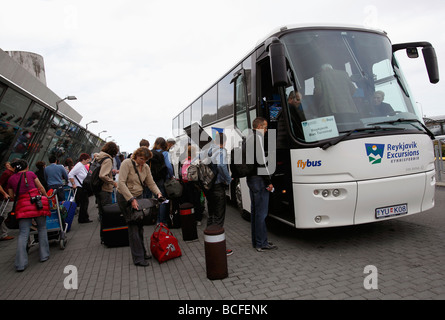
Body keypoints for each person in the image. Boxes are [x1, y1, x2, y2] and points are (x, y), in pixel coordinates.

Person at [117, 147, 162, 267]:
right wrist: (131, 199)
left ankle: (142, 252)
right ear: (136, 156)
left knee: (140, 225)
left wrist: (158, 193)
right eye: (141, 159)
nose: (143, 162)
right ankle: (138, 258)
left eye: (145, 160)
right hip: (125, 197)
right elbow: (121, 183)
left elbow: (150, 182)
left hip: (138, 196)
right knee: (133, 227)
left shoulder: (146, 167)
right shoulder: (126, 163)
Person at [7, 159, 49, 272]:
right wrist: (46, 197)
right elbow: (40, 187)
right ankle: (44, 255)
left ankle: (20, 264)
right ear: (26, 167)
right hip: (37, 204)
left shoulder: (11, 179)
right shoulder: (31, 174)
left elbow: (11, 196)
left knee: (23, 234)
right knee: (42, 228)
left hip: (22, 207)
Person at [246, 117, 277, 252]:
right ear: (259, 126)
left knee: (255, 212)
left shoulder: (248, 138)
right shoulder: (257, 139)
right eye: (265, 127)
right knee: (261, 213)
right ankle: (261, 243)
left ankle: (256, 241)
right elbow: (261, 163)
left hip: (251, 179)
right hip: (258, 180)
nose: (266, 130)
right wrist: (268, 182)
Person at [204, 132, 233, 255]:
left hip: (208, 186)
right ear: (224, 142)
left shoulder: (207, 150)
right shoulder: (221, 150)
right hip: (218, 187)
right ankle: (219, 248)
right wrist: (228, 179)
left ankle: (209, 244)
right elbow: (221, 165)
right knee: (219, 218)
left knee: (211, 215)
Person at [179, 144, 203, 225]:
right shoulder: (197, 161)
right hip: (196, 184)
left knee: (189, 201)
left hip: (186, 184)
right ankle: (198, 219)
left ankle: (190, 218)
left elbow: (181, 174)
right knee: (197, 202)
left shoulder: (184, 162)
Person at [151, 137, 174, 224]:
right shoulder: (165, 153)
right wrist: (171, 176)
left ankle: (156, 219)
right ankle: (162, 221)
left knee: (156, 200)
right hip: (162, 179)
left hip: (152, 180)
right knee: (163, 200)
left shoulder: (151, 153)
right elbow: (168, 166)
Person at [95, 142, 119, 216]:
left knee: (101, 210)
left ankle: (103, 225)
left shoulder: (99, 156)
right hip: (105, 188)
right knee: (107, 210)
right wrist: (113, 182)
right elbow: (103, 175)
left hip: (97, 186)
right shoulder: (108, 159)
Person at [68, 153, 93, 223]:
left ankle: (84, 217)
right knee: (84, 202)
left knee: (85, 203)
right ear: (83, 159)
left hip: (81, 186)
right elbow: (70, 174)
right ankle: (83, 218)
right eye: (87, 160)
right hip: (79, 187)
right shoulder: (79, 165)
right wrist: (73, 184)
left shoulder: (81, 165)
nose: (87, 162)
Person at [0, 162, 15, 241]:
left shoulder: (12, 173)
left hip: (11, 198)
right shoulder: (7, 173)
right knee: (4, 215)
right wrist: (5, 194)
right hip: (6, 199)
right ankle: (3, 234)